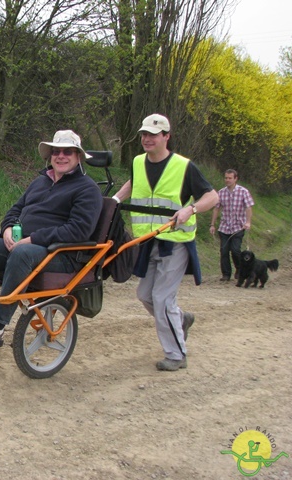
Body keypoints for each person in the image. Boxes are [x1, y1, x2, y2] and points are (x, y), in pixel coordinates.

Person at [0, 130, 103, 344]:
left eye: (67, 152)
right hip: (25, 248)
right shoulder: (40, 182)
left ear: (78, 156)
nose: (60, 156)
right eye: (56, 151)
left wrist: (33, 239)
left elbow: (79, 230)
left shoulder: (87, 189)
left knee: (23, 252)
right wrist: (7, 228)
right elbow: (15, 210)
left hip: (61, 255)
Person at [111, 114, 218, 371]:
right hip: (147, 241)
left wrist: (190, 209)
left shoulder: (184, 166)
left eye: (153, 135)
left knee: (161, 298)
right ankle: (181, 320)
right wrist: (114, 200)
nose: (147, 139)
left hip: (175, 242)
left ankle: (176, 354)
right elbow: (134, 182)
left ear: (166, 137)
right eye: (144, 135)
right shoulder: (138, 162)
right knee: (144, 294)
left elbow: (212, 196)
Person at [210, 169, 254, 281]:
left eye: (230, 178)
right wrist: (212, 225)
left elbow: (248, 207)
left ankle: (240, 270)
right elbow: (216, 209)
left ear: (235, 179)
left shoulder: (243, 191)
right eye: (226, 178)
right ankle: (226, 274)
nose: (227, 180)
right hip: (224, 227)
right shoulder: (221, 192)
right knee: (224, 251)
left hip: (238, 227)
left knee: (235, 250)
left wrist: (248, 222)